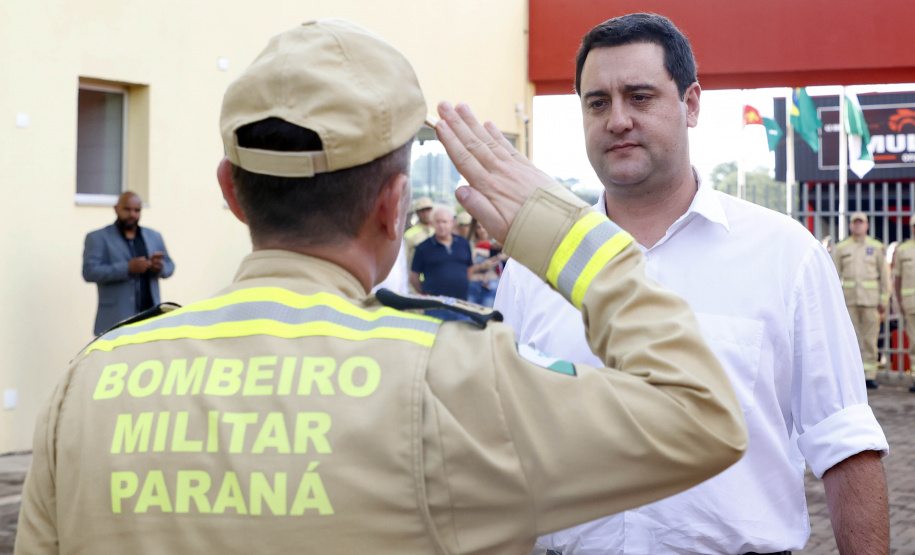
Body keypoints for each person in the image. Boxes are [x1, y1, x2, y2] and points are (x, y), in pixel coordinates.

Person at [14, 18, 748, 555]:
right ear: (395, 205)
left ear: (231, 192)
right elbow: (702, 416)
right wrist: (564, 230)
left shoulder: (90, 381)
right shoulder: (453, 378)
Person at [494, 13, 889, 555]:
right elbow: (500, 439)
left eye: (640, 96)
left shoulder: (784, 254)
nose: (618, 120)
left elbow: (844, 443)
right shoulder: (532, 266)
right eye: (598, 103)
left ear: (692, 104)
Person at [82, 191, 175, 336]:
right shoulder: (98, 237)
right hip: (115, 321)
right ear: (116, 208)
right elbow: (89, 272)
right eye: (127, 209)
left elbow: (170, 266)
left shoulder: (153, 236)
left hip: (150, 319)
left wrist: (160, 267)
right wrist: (127, 268)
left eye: (137, 210)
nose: (132, 214)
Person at [833, 212, 891, 390]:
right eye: (854, 223)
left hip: (871, 302)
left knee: (869, 340)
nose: (858, 226)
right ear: (850, 226)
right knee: (850, 340)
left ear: (867, 226)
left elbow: (885, 276)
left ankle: (870, 376)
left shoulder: (876, 247)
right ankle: (853, 377)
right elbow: (834, 276)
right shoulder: (842, 248)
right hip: (849, 302)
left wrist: (884, 299)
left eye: (861, 223)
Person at [409, 205, 474, 316]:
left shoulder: (463, 243)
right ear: (432, 223)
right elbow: (414, 276)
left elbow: (470, 268)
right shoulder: (423, 247)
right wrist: (425, 292)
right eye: (438, 222)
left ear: (452, 222)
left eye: (445, 222)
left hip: (462, 304)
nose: (441, 225)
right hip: (435, 306)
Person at [892, 216, 915, 391]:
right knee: (914, 342)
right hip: (911, 303)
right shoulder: (903, 249)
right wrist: (899, 300)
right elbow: (897, 278)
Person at [467, 218, 506, 307]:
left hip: (492, 283)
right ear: (474, 229)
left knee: (488, 317)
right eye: (478, 227)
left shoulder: (496, 243)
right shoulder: (469, 244)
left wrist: (478, 251)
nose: (482, 230)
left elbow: (503, 255)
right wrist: (482, 266)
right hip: (474, 283)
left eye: (484, 226)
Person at [404, 195, 434, 267]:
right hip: (416, 276)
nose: (426, 214)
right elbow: (404, 258)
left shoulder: (438, 231)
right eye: (422, 211)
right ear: (417, 213)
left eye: (428, 210)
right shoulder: (408, 234)